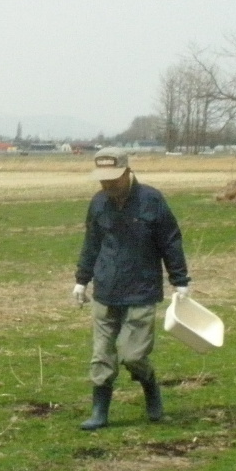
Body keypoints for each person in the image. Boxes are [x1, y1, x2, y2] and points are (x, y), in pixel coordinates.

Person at [72, 150, 191, 429]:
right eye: (103, 179)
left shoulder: (152, 200)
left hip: (141, 291)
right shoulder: (98, 203)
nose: (107, 184)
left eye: (113, 178)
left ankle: (150, 386)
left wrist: (180, 281)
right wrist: (81, 280)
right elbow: (91, 243)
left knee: (133, 356)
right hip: (105, 290)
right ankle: (99, 412)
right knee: (101, 356)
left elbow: (170, 241)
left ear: (127, 173)